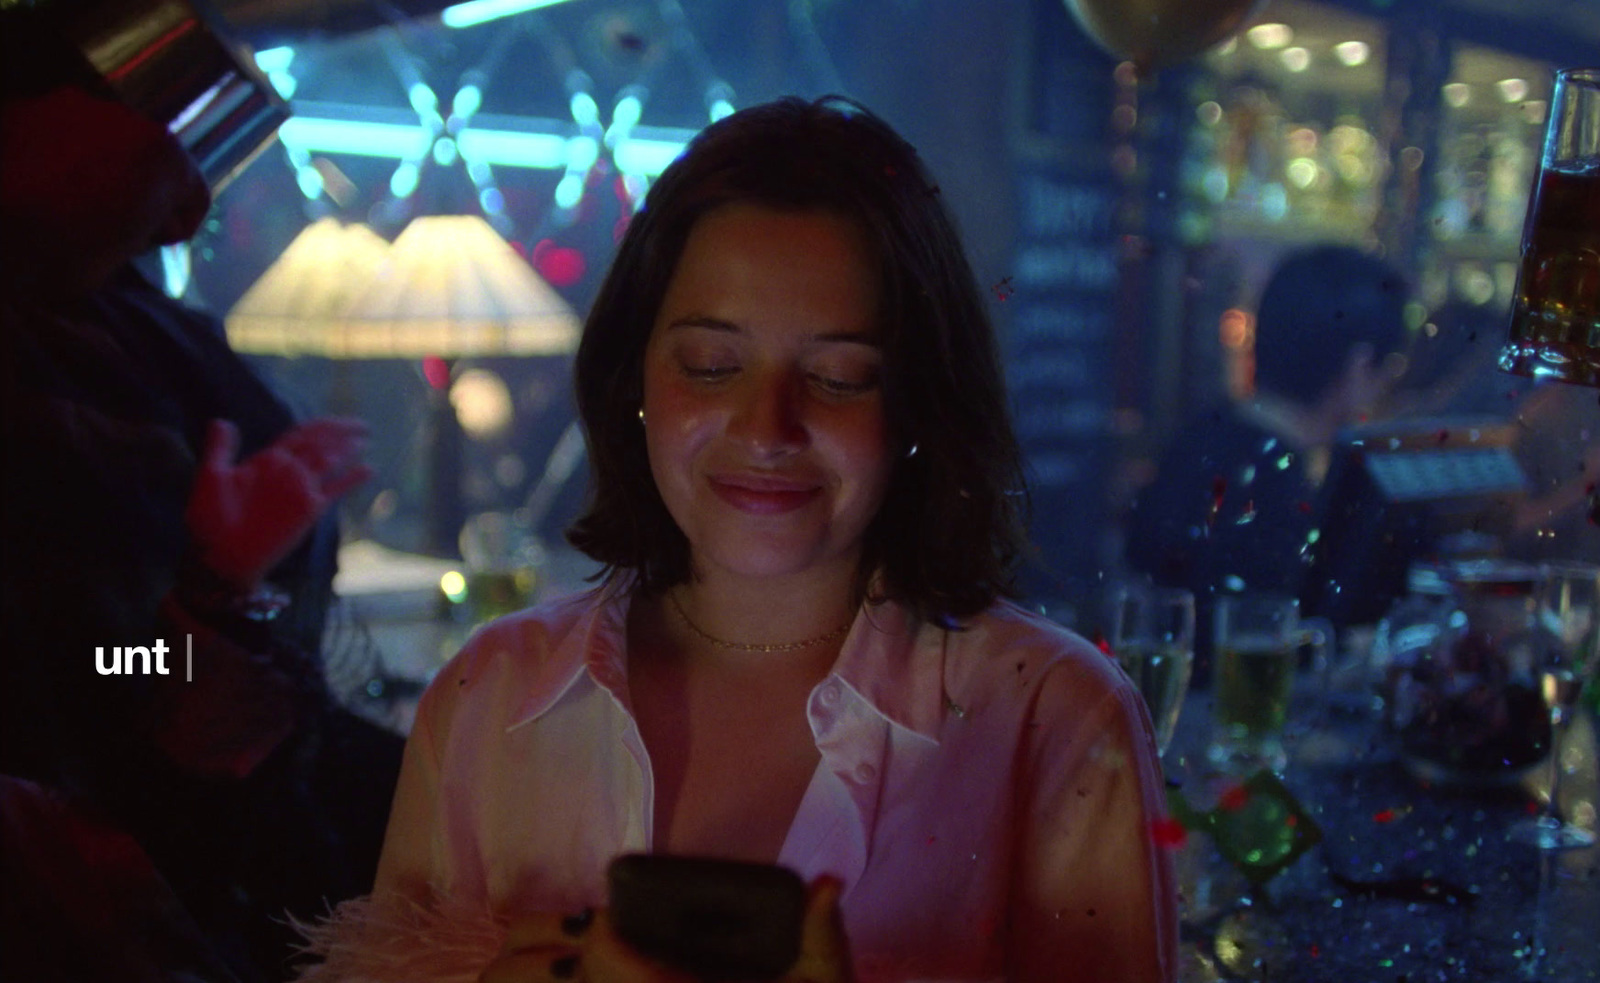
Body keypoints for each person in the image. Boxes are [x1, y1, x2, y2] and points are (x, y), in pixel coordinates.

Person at [300, 97, 1177, 982]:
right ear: (635, 372)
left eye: (838, 378)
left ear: (917, 401)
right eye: (711, 367)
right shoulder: (492, 695)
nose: (766, 428)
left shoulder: (1050, 715)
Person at [0, 12, 402, 980]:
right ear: (45, 114)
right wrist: (211, 590)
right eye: (167, 151)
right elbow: (78, 676)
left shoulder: (127, 329)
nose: (188, 210)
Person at [1123, 246, 1409, 676]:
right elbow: (1261, 652)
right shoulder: (1277, 483)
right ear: (1359, 364)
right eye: (1390, 365)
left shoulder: (1203, 434)